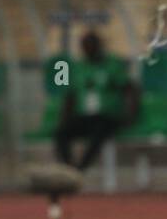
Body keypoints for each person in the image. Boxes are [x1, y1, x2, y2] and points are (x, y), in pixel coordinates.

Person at [54, 30, 138, 171]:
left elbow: (131, 89)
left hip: (107, 117)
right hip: (84, 116)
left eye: (91, 45)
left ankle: (81, 168)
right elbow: (71, 96)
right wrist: (64, 118)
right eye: (85, 46)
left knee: (99, 132)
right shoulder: (79, 68)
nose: (88, 49)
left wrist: (131, 115)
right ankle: (68, 168)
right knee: (61, 132)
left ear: (99, 46)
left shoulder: (112, 65)